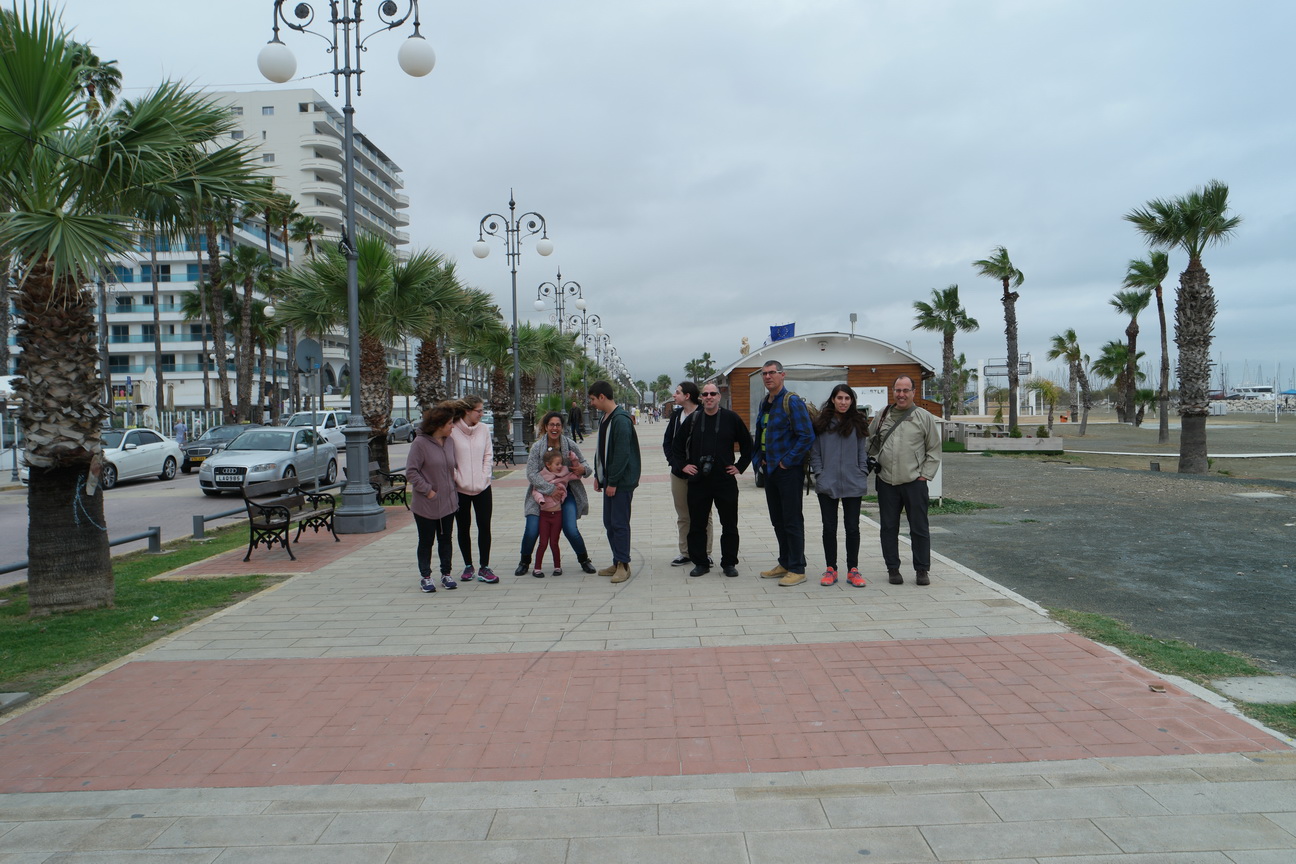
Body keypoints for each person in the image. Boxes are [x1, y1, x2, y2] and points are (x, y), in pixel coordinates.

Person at [672, 383, 752, 577]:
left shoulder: (731, 418)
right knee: (697, 524)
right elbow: (676, 447)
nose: (709, 397)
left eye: (712, 394)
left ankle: (729, 563)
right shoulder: (693, 419)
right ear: (701, 397)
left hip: (725, 479)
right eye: (705, 394)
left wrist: (739, 466)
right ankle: (700, 562)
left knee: (729, 524)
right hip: (698, 480)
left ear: (719, 397)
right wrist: (683, 466)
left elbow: (748, 444)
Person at [868, 375, 942, 586]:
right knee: (888, 528)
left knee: (919, 528)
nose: (901, 395)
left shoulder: (924, 417)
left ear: (913, 392)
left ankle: (922, 570)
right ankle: (893, 569)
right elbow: (870, 441)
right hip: (886, 482)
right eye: (898, 390)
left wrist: (924, 475)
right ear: (893, 391)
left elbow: (934, 449)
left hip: (914, 482)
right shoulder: (882, 415)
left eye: (905, 390)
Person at [752, 360, 815, 586]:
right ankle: (785, 562)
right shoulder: (765, 402)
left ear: (782, 375)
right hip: (770, 470)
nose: (768, 377)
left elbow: (806, 436)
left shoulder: (792, 401)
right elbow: (761, 433)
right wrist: (759, 460)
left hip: (788, 472)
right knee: (777, 519)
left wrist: (786, 462)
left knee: (792, 520)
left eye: (772, 373)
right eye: (764, 373)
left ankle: (797, 568)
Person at [514, 411, 597, 576]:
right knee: (532, 529)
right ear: (546, 427)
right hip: (541, 494)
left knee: (570, 528)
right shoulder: (537, 447)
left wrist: (583, 469)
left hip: (566, 494)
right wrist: (550, 490)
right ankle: (524, 562)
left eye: (558, 425)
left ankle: (584, 560)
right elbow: (531, 473)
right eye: (551, 424)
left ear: (562, 427)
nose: (555, 428)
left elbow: (585, 465)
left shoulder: (570, 445)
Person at [810, 384, 871, 587]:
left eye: (847, 398)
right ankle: (831, 569)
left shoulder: (858, 423)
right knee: (829, 527)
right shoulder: (821, 423)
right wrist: (820, 473)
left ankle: (853, 569)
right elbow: (815, 452)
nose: (843, 402)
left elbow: (862, 451)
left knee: (852, 527)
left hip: (854, 481)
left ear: (852, 401)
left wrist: (862, 471)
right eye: (839, 398)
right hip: (828, 482)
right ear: (833, 400)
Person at [589, 380, 640, 584]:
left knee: (619, 523)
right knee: (609, 522)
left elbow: (622, 453)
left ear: (602, 397)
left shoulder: (620, 420)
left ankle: (623, 565)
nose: (592, 403)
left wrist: (613, 482)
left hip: (620, 482)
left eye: (593, 399)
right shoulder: (605, 418)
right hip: (609, 480)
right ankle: (617, 559)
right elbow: (601, 449)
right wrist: (598, 475)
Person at [407, 403, 461, 594]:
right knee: (426, 540)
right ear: (439, 425)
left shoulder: (450, 442)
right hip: (426, 504)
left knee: (446, 539)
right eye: (449, 423)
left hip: (448, 502)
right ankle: (426, 576)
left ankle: (446, 574)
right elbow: (411, 472)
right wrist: (428, 491)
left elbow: (452, 467)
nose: (452, 426)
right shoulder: (420, 444)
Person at [662, 381, 711, 568]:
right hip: (679, 473)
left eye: (677, 392)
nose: (674, 395)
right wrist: (677, 464)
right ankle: (686, 552)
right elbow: (668, 442)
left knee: (704, 515)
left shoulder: (705, 413)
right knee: (683, 515)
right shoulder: (676, 416)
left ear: (687, 395)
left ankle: (705, 552)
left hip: (701, 474)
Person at [450, 395, 496, 584]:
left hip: (483, 487)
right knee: (463, 527)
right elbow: (448, 459)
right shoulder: (452, 430)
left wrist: (484, 476)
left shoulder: (483, 429)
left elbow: (488, 455)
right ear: (467, 411)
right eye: (479, 411)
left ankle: (484, 567)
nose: (482, 414)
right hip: (460, 489)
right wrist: (457, 478)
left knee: (484, 526)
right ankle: (468, 565)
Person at [531, 449, 574, 577]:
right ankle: (537, 568)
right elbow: (535, 491)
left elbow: (576, 475)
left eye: (561, 463)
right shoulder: (542, 478)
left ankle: (557, 567)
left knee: (554, 542)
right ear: (548, 465)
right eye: (557, 464)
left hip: (557, 515)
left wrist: (574, 459)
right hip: (544, 516)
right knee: (543, 543)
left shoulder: (563, 475)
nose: (560, 466)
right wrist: (541, 500)